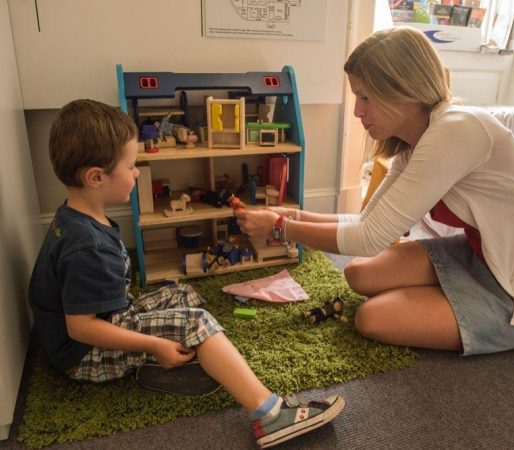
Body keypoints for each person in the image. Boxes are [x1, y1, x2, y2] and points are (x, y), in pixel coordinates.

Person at [235, 27, 514, 356]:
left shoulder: (456, 131)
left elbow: (368, 238)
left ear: (404, 91)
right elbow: (367, 220)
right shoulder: (416, 142)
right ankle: (449, 297)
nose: (357, 111)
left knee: (371, 318)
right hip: (485, 255)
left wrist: (280, 227)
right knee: (359, 274)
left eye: (366, 97)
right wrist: (291, 215)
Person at [28, 99, 344, 449]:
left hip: (109, 318)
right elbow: (81, 328)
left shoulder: (78, 217)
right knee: (197, 322)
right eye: (131, 166)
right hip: (85, 354)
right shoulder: (85, 246)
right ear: (96, 177)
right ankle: (270, 414)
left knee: (182, 293)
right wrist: (154, 344)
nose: (137, 173)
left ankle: (202, 353)